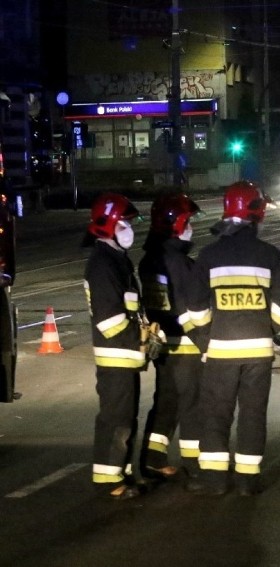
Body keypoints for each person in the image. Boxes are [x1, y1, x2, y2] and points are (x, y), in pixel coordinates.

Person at [186, 181, 280, 496]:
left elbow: (195, 306)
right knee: (252, 414)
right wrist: (267, 329)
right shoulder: (269, 254)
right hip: (258, 353)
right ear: (257, 214)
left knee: (216, 414)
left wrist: (208, 336)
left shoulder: (209, 255)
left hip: (220, 353)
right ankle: (248, 481)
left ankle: (215, 482)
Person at [82, 192, 146, 500]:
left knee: (125, 419)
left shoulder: (116, 261)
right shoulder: (103, 265)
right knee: (115, 420)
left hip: (125, 357)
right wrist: (140, 339)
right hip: (116, 357)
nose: (129, 230)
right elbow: (111, 322)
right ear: (106, 227)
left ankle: (122, 471)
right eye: (123, 225)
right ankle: (109, 480)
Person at [138, 193, 204, 482]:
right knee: (192, 405)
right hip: (186, 345)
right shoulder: (180, 262)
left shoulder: (149, 260)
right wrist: (206, 342)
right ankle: (195, 464)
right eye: (187, 221)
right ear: (174, 224)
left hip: (162, 344)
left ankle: (153, 458)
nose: (191, 227)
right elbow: (190, 306)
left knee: (166, 402)